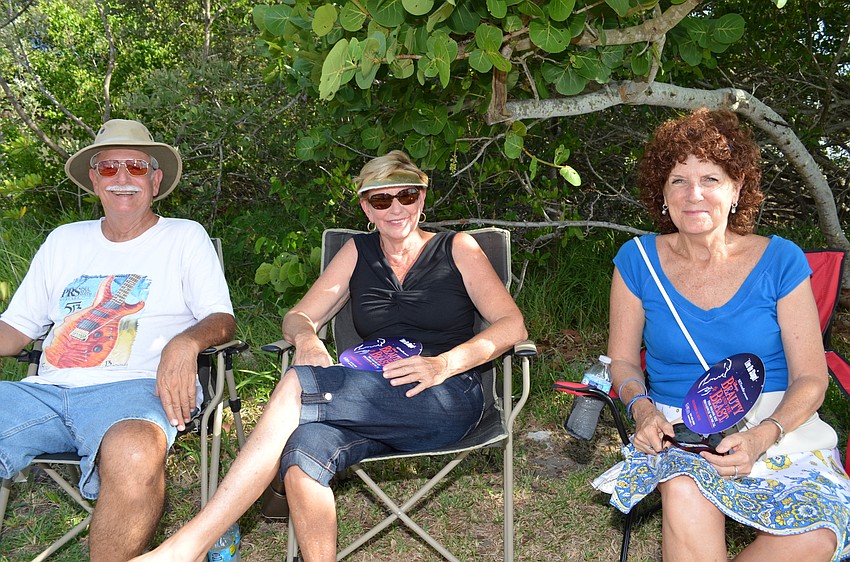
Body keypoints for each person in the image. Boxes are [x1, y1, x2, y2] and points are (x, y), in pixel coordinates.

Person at [132, 149, 528, 562]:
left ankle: (190, 544)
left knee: (295, 387)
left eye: (407, 196)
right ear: (366, 208)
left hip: (444, 394)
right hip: (369, 394)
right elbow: (299, 315)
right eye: (381, 199)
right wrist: (306, 339)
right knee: (304, 449)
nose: (396, 208)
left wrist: (444, 363)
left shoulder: (457, 248)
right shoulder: (359, 252)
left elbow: (511, 325)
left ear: (422, 198)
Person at [605, 108, 850, 561]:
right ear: (661, 192)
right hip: (683, 426)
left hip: (779, 425)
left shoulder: (781, 260)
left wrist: (764, 436)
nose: (693, 194)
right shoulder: (637, 261)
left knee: (816, 536)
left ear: (737, 189)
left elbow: (812, 379)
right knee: (682, 489)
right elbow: (620, 361)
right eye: (678, 180)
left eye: (711, 179)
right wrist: (641, 410)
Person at [0, 119, 236, 561]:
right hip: (45, 393)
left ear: (155, 178)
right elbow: (14, 330)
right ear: (94, 179)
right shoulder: (62, 241)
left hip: (136, 392)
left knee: (133, 451)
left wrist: (183, 344)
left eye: (136, 166)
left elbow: (221, 320)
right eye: (109, 168)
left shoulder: (184, 237)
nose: (123, 178)